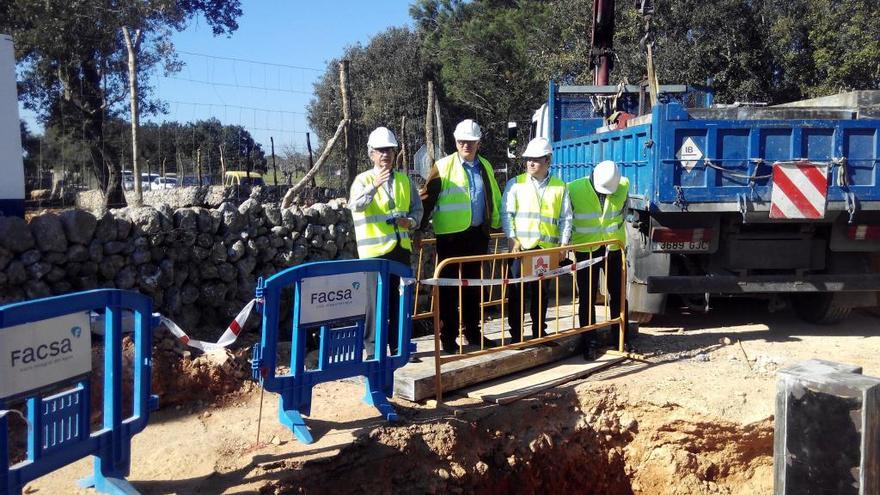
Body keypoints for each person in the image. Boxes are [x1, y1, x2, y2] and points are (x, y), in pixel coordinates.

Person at [420, 119, 502, 354]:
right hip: (451, 238)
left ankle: (473, 333)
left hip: (477, 235)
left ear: (479, 142)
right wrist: (418, 229)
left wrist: (496, 223)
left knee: (473, 286)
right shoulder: (443, 166)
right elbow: (427, 200)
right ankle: (448, 337)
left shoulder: (485, 165)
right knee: (449, 289)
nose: (467, 145)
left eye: (471, 141)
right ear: (456, 142)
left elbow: (493, 196)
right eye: (462, 141)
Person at [349, 126, 423, 358]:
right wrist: (374, 186)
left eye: (390, 150)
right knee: (375, 304)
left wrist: (410, 222)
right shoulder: (362, 180)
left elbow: (417, 210)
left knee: (399, 301)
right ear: (371, 153)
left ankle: (400, 348)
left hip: (400, 250)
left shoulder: (404, 181)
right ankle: (373, 351)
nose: (385, 155)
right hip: (374, 252)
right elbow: (356, 205)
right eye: (380, 150)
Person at [501, 137, 572, 344]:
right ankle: (516, 336)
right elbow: (507, 214)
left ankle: (540, 333)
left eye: (536, 159)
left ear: (547, 160)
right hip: (521, 248)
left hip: (546, 248)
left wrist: (564, 245)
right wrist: (512, 239)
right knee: (516, 294)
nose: (530, 163)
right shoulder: (516, 184)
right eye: (528, 159)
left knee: (541, 294)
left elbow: (566, 218)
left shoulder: (560, 187)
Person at [568, 159, 629, 360]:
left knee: (618, 294)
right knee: (587, 296)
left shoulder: (623, 186)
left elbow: (624, 213)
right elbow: (566, 218)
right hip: (586, 249)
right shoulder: (574, 188)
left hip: (614, 248)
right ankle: (589, 342)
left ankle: (621, 337)